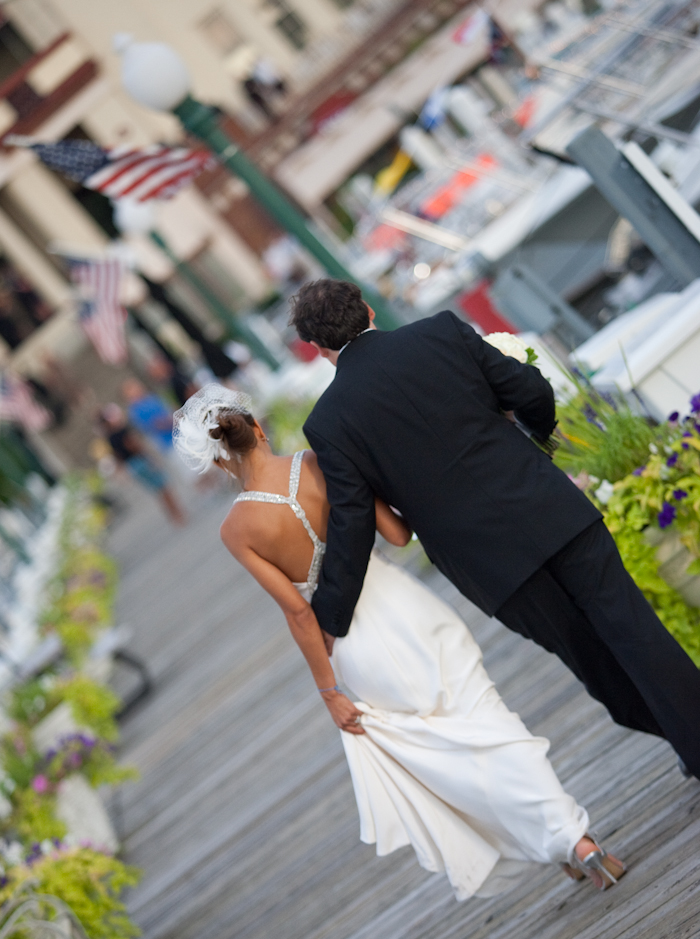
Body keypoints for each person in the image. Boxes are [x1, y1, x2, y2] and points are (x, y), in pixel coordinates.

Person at [172, 384, 626, 900]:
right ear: (257, 428)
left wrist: (328, 690)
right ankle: (573, 840)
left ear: (219, 461)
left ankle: (560, 844)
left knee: (451, 756)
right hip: (410, 611)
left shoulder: (238, 529)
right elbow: (394, 533)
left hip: (357, 647)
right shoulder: (320, 462)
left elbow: (298, 611)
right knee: (490, 720)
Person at [289, 279, 700, 778]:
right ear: (368, 308)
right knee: (634, 628)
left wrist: (330, 613)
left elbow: (353, 521)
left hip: (488, 565)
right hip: (549, 509)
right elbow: (530, 390)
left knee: (591, 661)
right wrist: (538, 441)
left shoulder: (329, 422)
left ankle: (685, 738)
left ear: (317, 348)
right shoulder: (439, 332)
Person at [97, 403, 185, 525]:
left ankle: (173, 515)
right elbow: (133, 444)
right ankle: (178, 513)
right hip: (140, 460)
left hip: (132, 465)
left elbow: (117, 455)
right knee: (164, 487)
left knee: (157, 491)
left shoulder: (109, 438)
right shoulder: (122, 431)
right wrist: (148, 457)